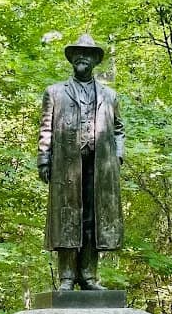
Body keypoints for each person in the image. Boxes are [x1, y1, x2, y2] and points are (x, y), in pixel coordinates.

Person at [37, 34, 125, 291]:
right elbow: (45, 128)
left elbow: (119, 128)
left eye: (88, 54)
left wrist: (117, 155)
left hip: (100, 167)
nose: (82, 57)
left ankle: (88, 276)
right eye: (78, 53)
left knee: (93, 219)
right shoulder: (54, 92)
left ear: (96, 60)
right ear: (72, 58)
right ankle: (66, 277)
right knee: (67, 216)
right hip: (66, 165)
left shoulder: (109, 95)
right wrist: (44, 158)